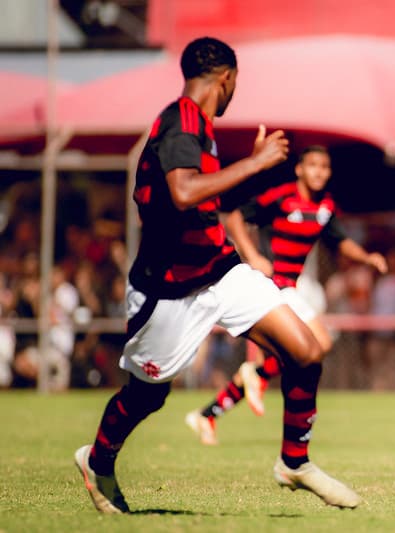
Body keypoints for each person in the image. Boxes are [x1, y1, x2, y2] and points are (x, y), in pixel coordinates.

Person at [73, 37, 361, 514]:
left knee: (306, 351)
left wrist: (245, 170)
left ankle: (294, 461)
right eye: (236, 84)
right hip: (168, 288)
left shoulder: (198, 126)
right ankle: (97, 459)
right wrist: (257, 163)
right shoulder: (181, 121)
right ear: (225, 78)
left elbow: (197, 198)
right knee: (146, 397)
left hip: (220, 270)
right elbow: (183, 193)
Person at [185, 145, 387, 442]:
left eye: (325, 167)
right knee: (318, 343)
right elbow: (236, 218)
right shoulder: (281, 196)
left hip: (289, 287)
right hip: (270, 284)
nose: (320, 172)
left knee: (293, 355)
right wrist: (252, 255)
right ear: (300, 170)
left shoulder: (325, 207)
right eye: (314, 165)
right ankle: (261, 381)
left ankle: (209, 414)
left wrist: (367, 258)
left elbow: (341, 241)